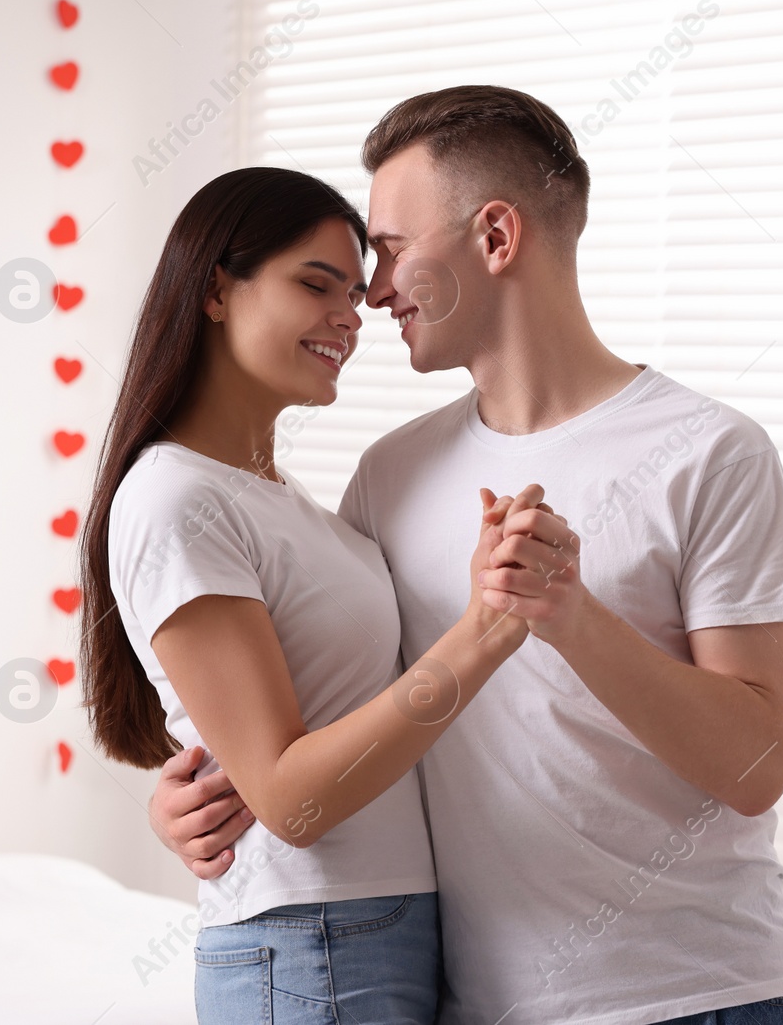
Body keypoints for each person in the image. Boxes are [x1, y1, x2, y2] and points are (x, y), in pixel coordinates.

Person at [149, 86, 783, 1025]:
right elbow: (339, 719)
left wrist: (572, 615)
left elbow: (757, 765)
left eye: (387, 252)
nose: (375, 292)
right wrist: (197, 798)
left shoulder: (712, 451)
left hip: (705, 998)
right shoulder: (391, 475)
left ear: (496, 238)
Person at [79, 165, 554, 1024]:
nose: (350, 315)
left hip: (373, 928)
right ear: (218, 290)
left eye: (354, 290)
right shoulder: (177, 497)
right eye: (315, 284)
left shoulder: (279, 497)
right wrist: (483, 632)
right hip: (313, 937)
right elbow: (290, 798)